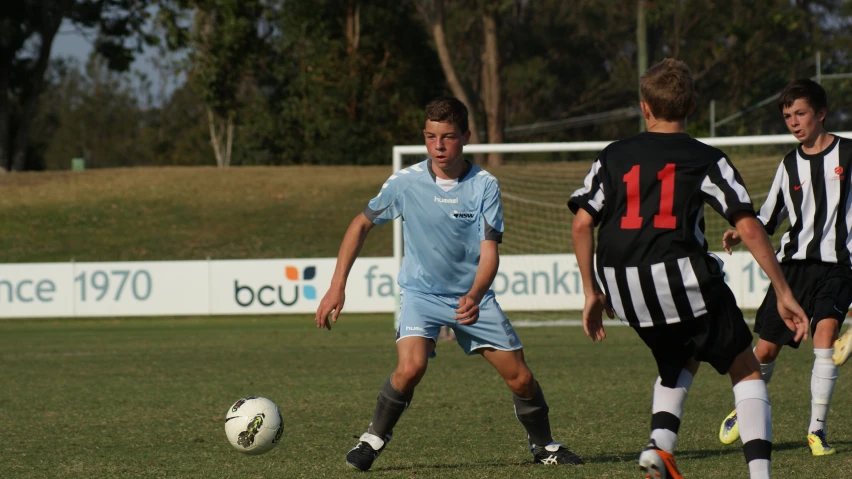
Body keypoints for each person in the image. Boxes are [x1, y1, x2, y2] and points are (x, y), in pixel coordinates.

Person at [569, 59, 809, 479]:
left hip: (622, 286)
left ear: (644, 107)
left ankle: (659, 448)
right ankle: (761, 476)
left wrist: (591, 291)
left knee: (681, 357)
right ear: (693, 105)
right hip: (676, 276)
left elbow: (582, 222)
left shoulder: (613, 155)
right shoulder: (705, 158)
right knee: (746, 368)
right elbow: (747, 224)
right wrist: (784, 291)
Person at [314, 97, 583, 472]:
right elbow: (359, 225)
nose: (438, 146)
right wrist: (336, 286)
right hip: (420, 295)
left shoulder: (485, 186)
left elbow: (489, 253)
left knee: (521, 378)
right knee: (410, 368)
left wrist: (474, 295)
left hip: (472, 298)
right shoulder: (405, 183)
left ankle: (544, 446)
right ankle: (373, 438)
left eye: (448, 137)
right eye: (430, 137)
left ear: (466, 137)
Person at [717, 78, 852, 456]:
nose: (793, 122)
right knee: (765, 352)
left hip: (839, 267)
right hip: (792, 269)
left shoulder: (849, 155)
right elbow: (769, 214)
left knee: (825, 337)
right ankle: (745, 407)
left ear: (821, 114)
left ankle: (817, 431)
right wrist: (741, 233)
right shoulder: (789, 163)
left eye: (800, 113)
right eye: (787, 116)